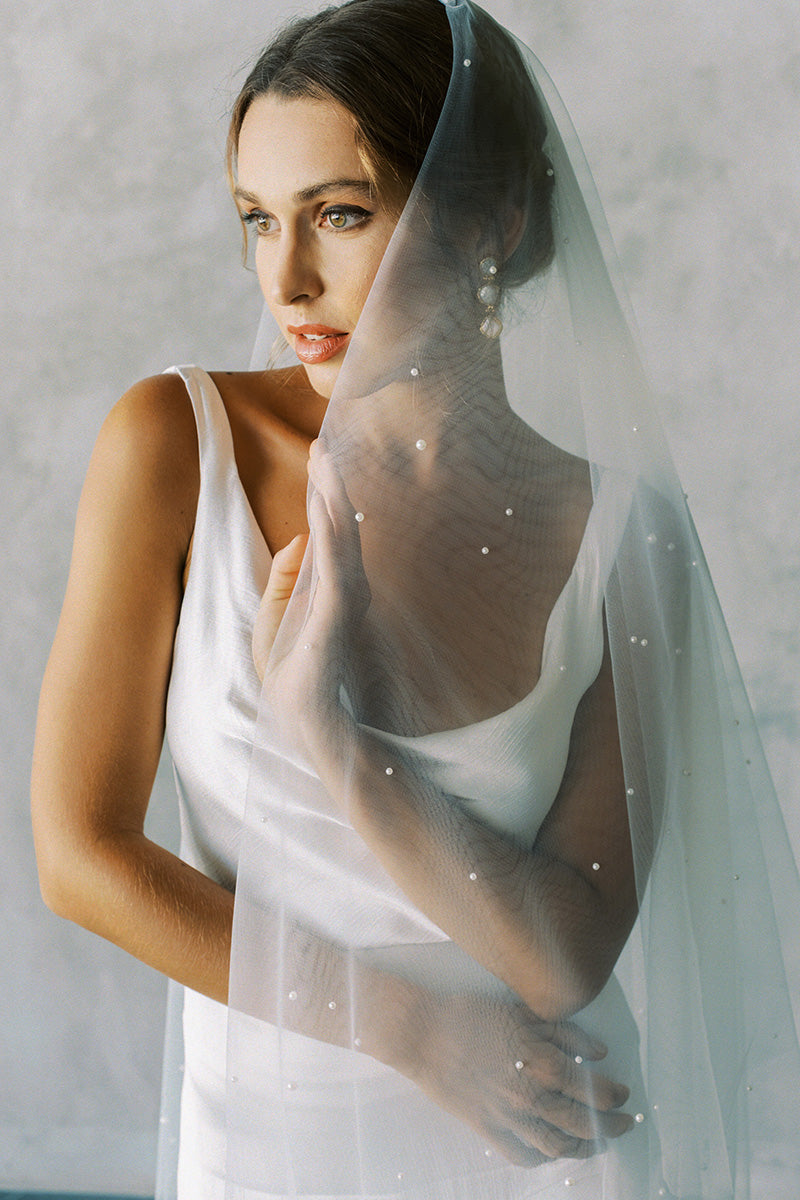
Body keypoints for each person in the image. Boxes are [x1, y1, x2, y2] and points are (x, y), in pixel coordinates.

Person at [31, 0, 800, 1197]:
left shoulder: (619, 536)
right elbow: (80, 857)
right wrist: (415, 1031)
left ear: (492, 215)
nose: (285, 277)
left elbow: (562, 959)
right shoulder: (175, 448)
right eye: (256, 219)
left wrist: (324, 733)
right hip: (274, 1144)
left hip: (552, 1142)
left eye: (340, 214)